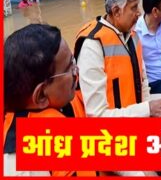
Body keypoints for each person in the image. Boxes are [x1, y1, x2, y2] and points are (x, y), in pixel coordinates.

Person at [75, 0, 161, 118]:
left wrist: (147, 109)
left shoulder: (132, 35)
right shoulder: (92, 46)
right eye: (133, 7)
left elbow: (143, 81)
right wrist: (147, 110)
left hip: (136, 108)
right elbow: (97, 116)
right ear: (116, 11)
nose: (139, 13)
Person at [3, 24, 96, 176]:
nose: (76, 70)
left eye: (73, 60)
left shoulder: (63, 100)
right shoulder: (21, 166)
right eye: (69, 67)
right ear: (40, 96)